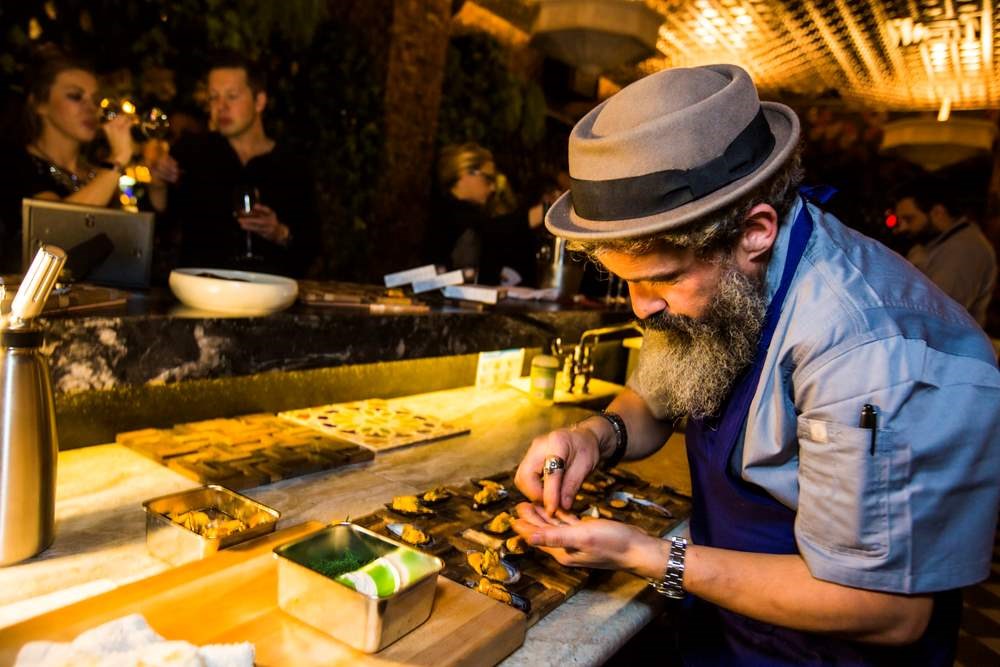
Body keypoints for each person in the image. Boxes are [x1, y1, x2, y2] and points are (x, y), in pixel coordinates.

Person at [511, 64, 1000, 665]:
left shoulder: (866, 349)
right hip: (729, 623)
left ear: (755, 232)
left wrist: (647, 556)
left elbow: (889, 611)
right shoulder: (719, 281)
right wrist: (596, 433)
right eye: (626, 284)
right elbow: (656, 398)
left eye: (661, 279)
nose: (643, 309)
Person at [158, 53, 318, 277]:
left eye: (232, 96)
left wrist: (279, 233)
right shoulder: (191, 152)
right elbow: (160, 222)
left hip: (269, 297)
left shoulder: (292, 164)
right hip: (202, 295)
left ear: (259, 101)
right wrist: (157, 180)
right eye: (213, 97)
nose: (220, 107)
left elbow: (311, 246)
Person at [0, 49, 137, 272]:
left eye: (95, 99)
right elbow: (56, 232)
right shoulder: (14, 162)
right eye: (75, 96)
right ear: (39, 105)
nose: (91, 108)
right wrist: (117, 162)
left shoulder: (96, 173)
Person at [425, 142, 543, 285]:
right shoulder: (447, 216)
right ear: (465, 172)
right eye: (488, 179)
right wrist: (543, 213)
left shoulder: (459, 214)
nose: (493, 187)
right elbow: (492, 231)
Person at [892, 180, 996, 327]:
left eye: (909, 219)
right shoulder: (931, 244)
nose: (902, 228)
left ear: (938, 212)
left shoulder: (964, 249)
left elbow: (937, 312)